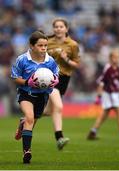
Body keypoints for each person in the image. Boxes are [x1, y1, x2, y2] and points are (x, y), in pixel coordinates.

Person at [15, 18, 80, 150]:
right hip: (47, 78)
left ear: (66, 29)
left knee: (49, 111)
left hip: (64, 79)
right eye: (56, 26)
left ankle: (25, 121)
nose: (58, 29)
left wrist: (65, 58)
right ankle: (59, 137)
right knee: (59, 106)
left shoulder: (72, 45)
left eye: (61, 26)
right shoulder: (47, 41)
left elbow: (76, 65)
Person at [11, 31, 59, 164]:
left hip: (42, 95)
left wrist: (55, 81)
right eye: (40, 45)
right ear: (32, 46)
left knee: (32, 121)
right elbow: (15, 78)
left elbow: (56, 76)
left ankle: (23, 124)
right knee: (30, 118)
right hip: (26, 93)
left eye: (45, 46)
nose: (44, 48)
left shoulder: (50, 61)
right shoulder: (22, 60)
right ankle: (27, 152)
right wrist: (27, 82)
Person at [87, 49, 119, 141]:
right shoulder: (108, 68)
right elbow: (101, 82)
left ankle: (93, 131)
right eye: (115, 57)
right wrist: (99, 96)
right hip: (109, 94)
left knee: (104, 114)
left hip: (115, 94)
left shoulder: (117, 69)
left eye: (118, 57)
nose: (117, 59)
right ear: (110, 58)